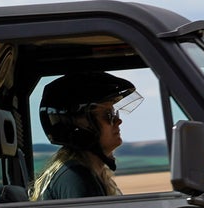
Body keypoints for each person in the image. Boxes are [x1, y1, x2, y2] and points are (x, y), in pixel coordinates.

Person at [32, 71, 141, 200]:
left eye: (115, 113)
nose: (118, 121)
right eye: (108, 115)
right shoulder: (75, 178)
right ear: (79, 124)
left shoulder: (93, 174)